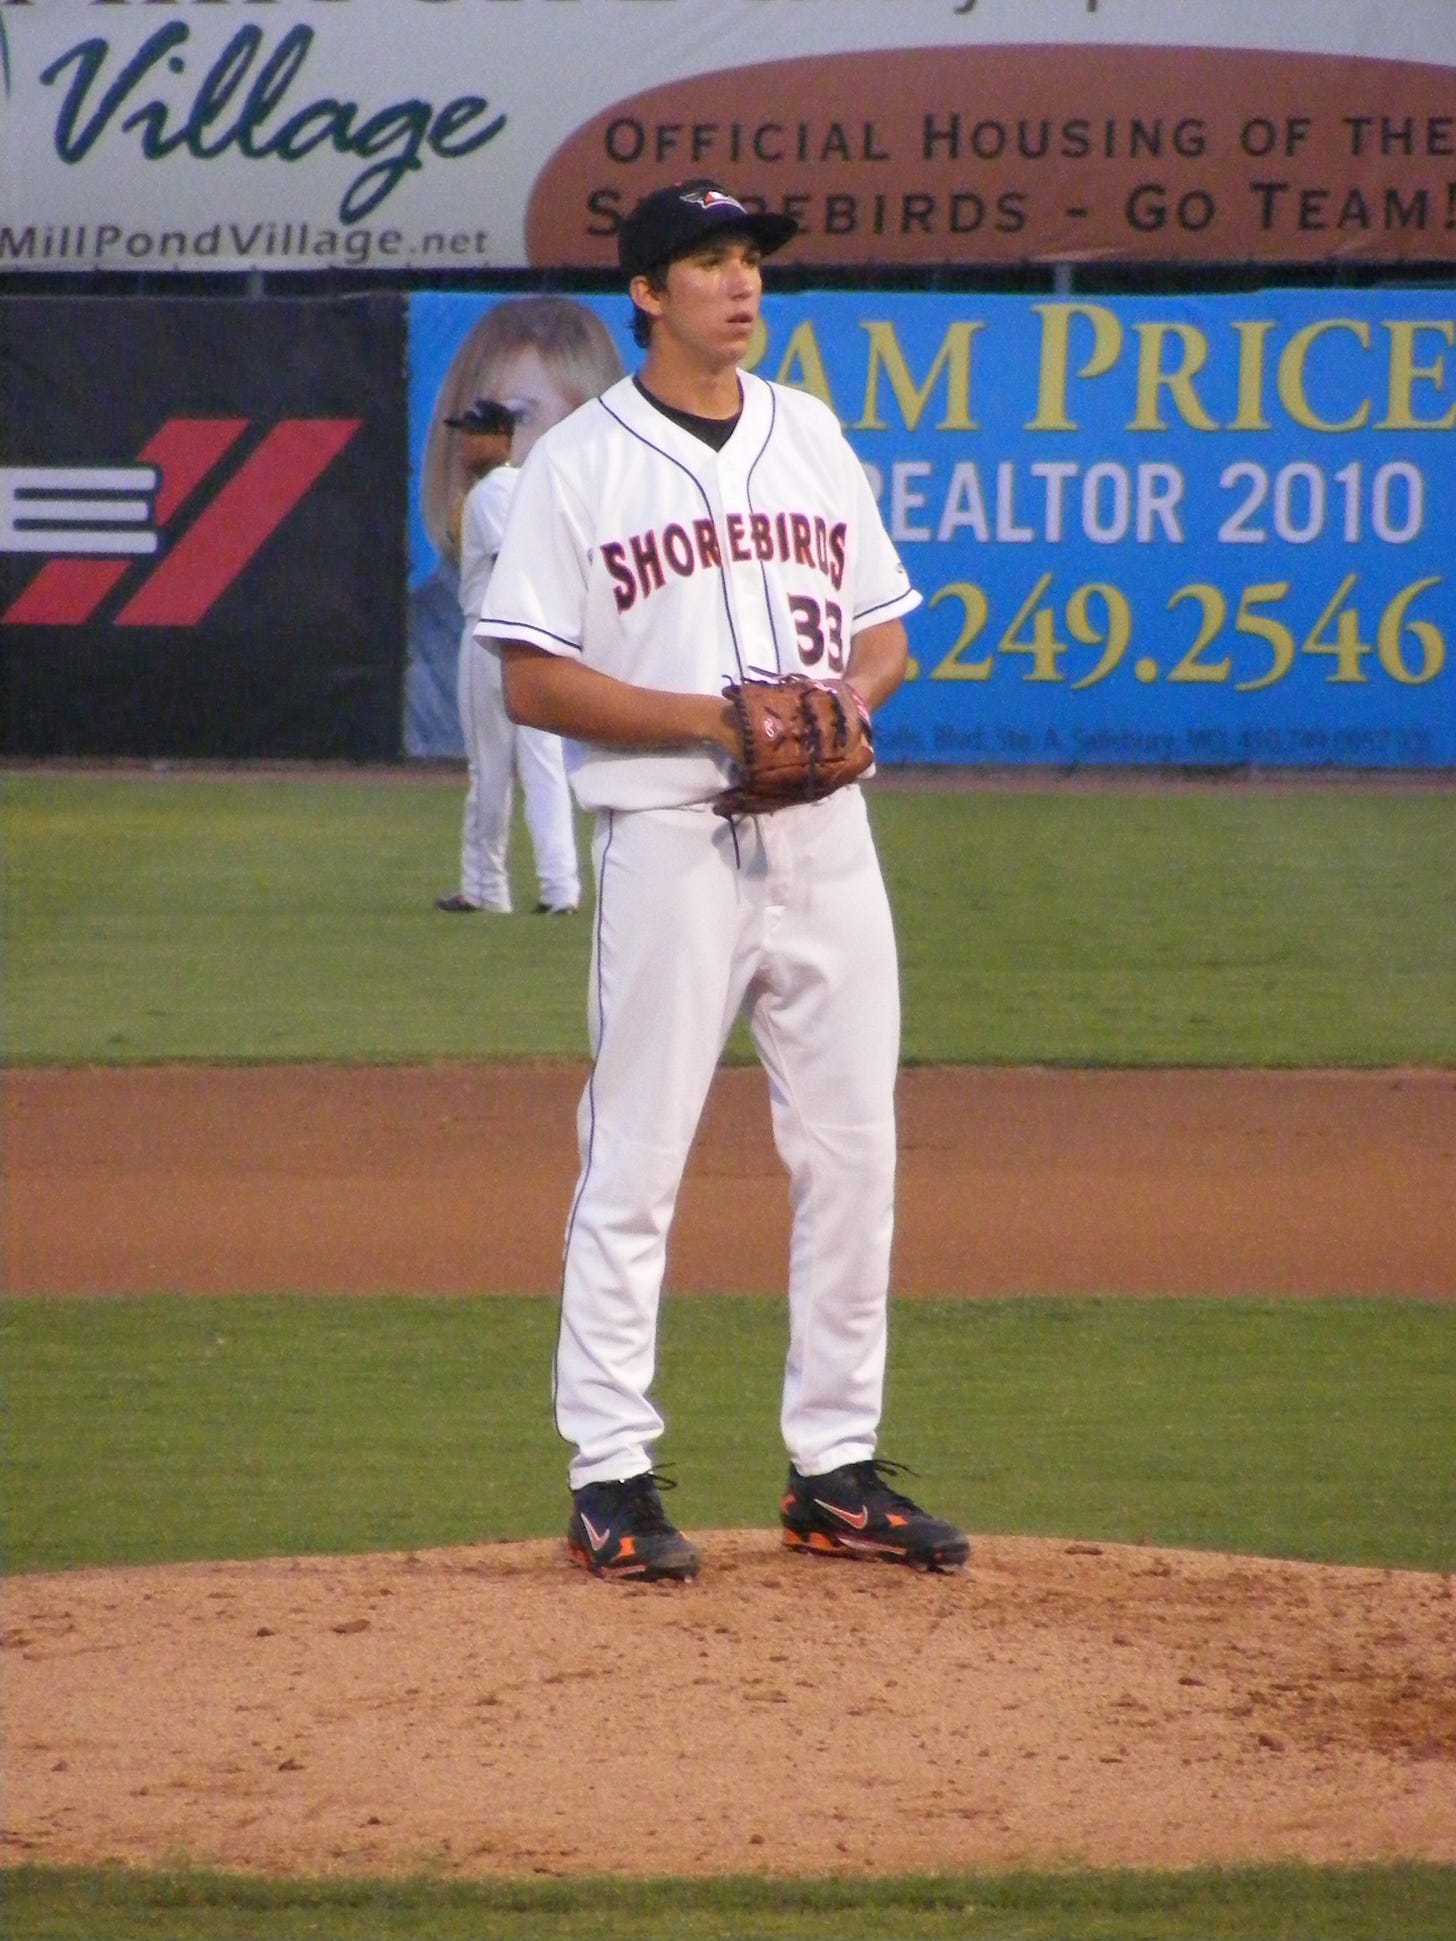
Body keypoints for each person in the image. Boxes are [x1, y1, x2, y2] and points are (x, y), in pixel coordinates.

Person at [477, 178, 970, 1583]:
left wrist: (846, 705)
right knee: (635, 1157)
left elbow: (882, 631)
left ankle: (835, 1469)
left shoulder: (808, 431)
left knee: (855, 1151)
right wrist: (715, 719)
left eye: (751, 260)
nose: (742, 284)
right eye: (709, 262)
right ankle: (609, 1475)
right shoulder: (582, 463)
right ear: (646, 292)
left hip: (829, 839)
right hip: (676, 842)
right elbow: (529, 677)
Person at [405, 296, 626, 757]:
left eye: (580, 418)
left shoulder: (646, 608)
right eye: (521, 416)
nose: (551, 445)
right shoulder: (419, 649)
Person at [434, 397, 581, 915]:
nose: (465, 443)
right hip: (540, 641)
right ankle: (560, 888)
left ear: (502, 438)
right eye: (462, 432)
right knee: (544, 768)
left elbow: (510, 562)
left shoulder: (493, 492)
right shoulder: (523, 486)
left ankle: (485, 887)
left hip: (491, 639)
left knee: (490, 770)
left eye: (476, 432)